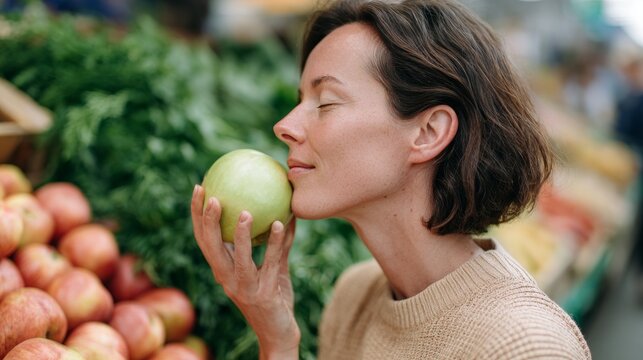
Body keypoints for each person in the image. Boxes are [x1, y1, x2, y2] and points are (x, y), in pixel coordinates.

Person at [191, 0, 591, 358]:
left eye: (326, 102)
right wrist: (277, 341)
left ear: (428, 132)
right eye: (300, 102)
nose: (284, 126)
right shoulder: (353, 297)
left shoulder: (526, 348)